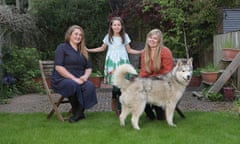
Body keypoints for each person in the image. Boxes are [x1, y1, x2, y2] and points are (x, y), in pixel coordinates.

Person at [87, 17, 142, 116]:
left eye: (119, 25)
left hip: (122, 62)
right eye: (114, 25)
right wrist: (89, 50)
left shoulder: (125, 36)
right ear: (111, 26)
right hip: (112, 63)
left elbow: (129, 50)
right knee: (116, 85)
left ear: (121, 26)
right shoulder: (108, 37)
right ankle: (114, 98)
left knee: (122, 84)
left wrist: (141, 51)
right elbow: (102, 48)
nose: (116, 27)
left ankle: (120, 108)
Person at [51, 25, 97, 123]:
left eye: (80, 35)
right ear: (69, 35)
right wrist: (74, 79)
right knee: (72, 84)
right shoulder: (62, 48)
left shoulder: (83, 50)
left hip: (79, 78)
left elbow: (88, 68)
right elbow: (58, 67)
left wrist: (85, 77)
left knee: (89, 86)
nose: (78, 36)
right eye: (76, 34)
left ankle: (79, 112)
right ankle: (77, 113)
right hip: (61, 79)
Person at [139, 28, 174, 120]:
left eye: (155, 38)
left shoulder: (165, 51)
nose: (152, 40)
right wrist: (138, 82)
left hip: (163, 82)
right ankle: (150, 114)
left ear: (159, 41)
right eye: (150, 37)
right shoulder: (144, 53)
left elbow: (168, 72)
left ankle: (158, 109)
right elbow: (144, 71)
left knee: (161, 118)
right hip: (150, 82)